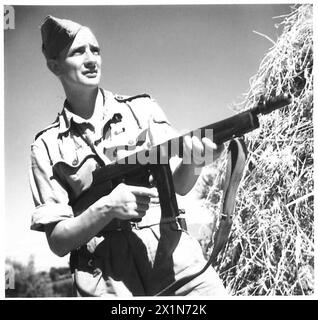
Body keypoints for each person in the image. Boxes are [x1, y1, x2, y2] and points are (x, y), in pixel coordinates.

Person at [29, 15, 227, 296]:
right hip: (107, 280)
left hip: (174, 259)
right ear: (54, 65)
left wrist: (195, 161)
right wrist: (106, 208)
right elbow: (58, 241)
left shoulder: (142, 110)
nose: (91, 59)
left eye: (95, 50)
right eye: (78, 51)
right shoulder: (46, 146)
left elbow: (178, 185)